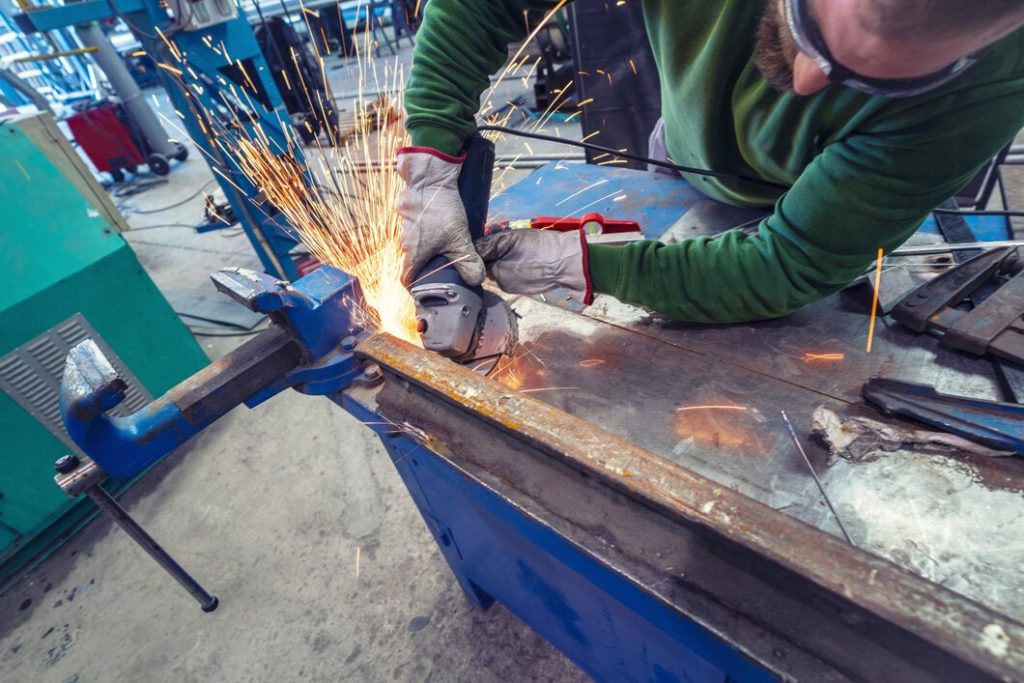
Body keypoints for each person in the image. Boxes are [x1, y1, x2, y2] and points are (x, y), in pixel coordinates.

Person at [396, 0, 1024, 323]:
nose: (804, 83)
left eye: (873, 82)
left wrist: (581, 263)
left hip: (812, 201)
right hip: (681, 154)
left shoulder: (997, 82)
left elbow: (791, 264)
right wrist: (432, 150)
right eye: (805, 27)